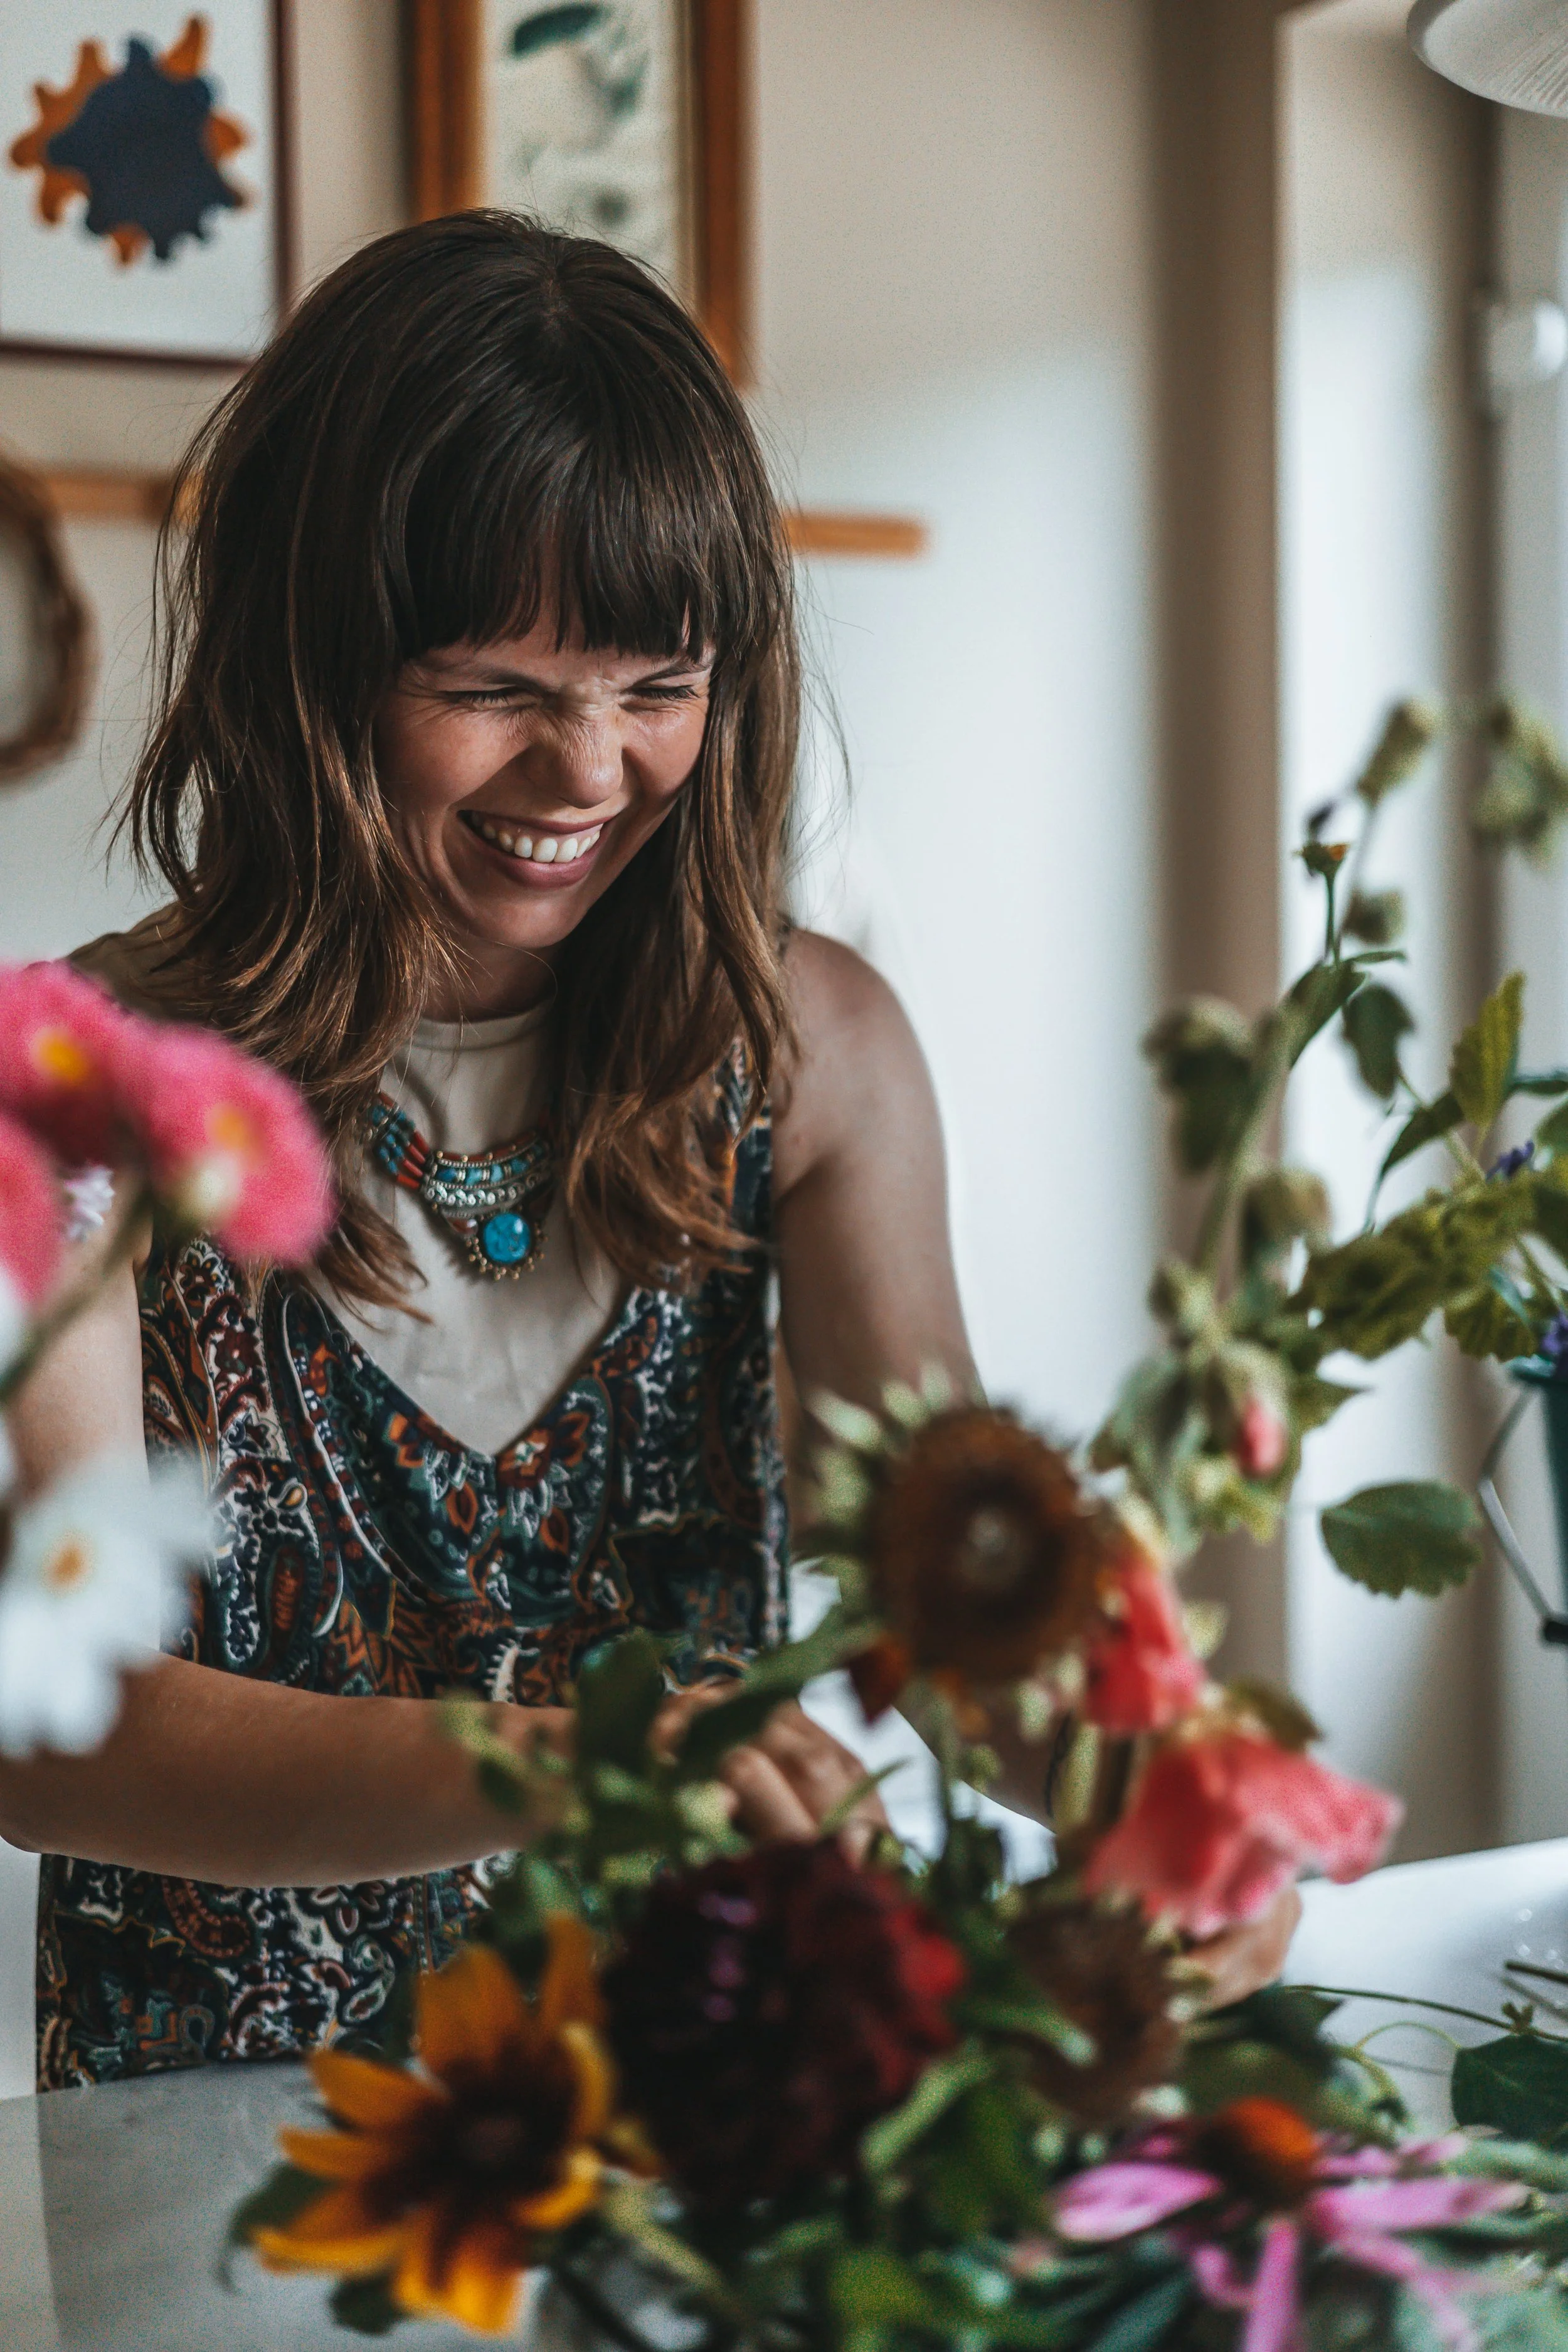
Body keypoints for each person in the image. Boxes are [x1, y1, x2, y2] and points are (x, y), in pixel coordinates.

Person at [0, 215, 1295, 2088]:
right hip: (228, 2160)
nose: (590, 772)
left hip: (718, 2121)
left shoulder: (818, 1057)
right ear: (308, 665)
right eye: (497, 691)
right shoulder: (72, 1093)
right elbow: (55, 1737)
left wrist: (1147, 1781)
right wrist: (579, 1758)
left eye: (655, 684)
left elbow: (948, 1608)